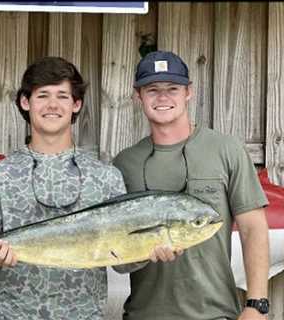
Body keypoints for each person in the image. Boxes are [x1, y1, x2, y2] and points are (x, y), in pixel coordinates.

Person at [0, 56, 176, 320]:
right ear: (25, 102)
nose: (52, 105)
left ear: (76, 104)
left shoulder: (105, 177)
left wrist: (150, 249)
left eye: (62, 96)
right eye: (42, 95)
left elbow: (122, 263)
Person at [113, 50, 270, 320]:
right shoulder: (124, 163)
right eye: (152, 89)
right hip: (143, 314)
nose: (163, 97)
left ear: (188, 92)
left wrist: (257, 305)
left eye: (172, 88)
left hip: (215, 313)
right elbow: (116, 252)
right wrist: (139, 253)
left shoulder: (226, 150)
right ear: (138, 96)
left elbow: (253, 228)